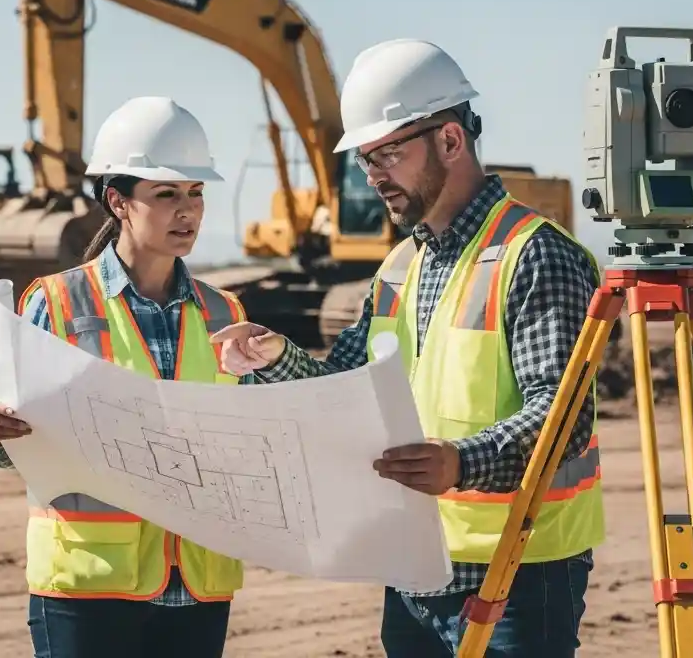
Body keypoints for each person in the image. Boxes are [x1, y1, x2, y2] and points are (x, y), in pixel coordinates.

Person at [211, 38, 605, 657]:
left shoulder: (536, 254)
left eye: (388, 154)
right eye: (365, 159)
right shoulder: (400, 266)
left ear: (449, 140)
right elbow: (344, 387)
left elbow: (563, 414)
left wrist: (460, 463)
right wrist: (274, 357)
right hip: (415, 562)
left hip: (518, 573)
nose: (373, 176)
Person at [0, 96, 254, 658]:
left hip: (197, 584)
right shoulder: (56, 304)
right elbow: (10, 445)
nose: (187, 211)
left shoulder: (226, 314)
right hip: (89, 584)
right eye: (166, 194)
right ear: (117, 201)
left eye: (196, 193)